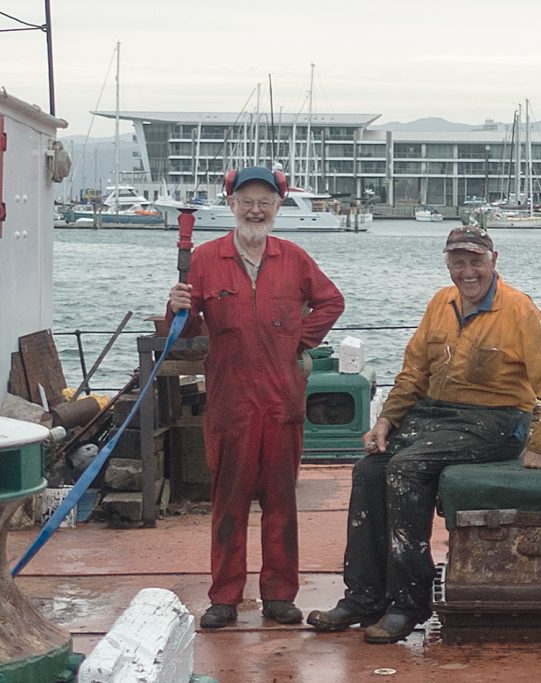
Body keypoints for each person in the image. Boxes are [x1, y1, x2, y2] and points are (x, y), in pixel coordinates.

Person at [307, 225, 541, 644]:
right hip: (437, 414)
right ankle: (363, 596)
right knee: (369, 469)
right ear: (447, 263)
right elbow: (415, 371)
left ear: (493, 261)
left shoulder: (518, 309)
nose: (467, 272)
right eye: (458, 262)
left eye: (476, 261)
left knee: (406, 468)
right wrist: (387, 420)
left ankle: (407, 602)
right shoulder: (441, 302)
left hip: (497, 420)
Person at [167, 167, 344, 629]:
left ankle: (279, 596)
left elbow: (331, 301)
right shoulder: (205, 259)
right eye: (246, 199)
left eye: (265, 200)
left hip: (283, 401)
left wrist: (299, 341)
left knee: (282, 501)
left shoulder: (294, 258)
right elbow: (181, 334)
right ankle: (224, 597)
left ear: (278, 207)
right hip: (230, 401)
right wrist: (177, 307)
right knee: (228, 502)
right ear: (230, 205)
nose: (256, 209)